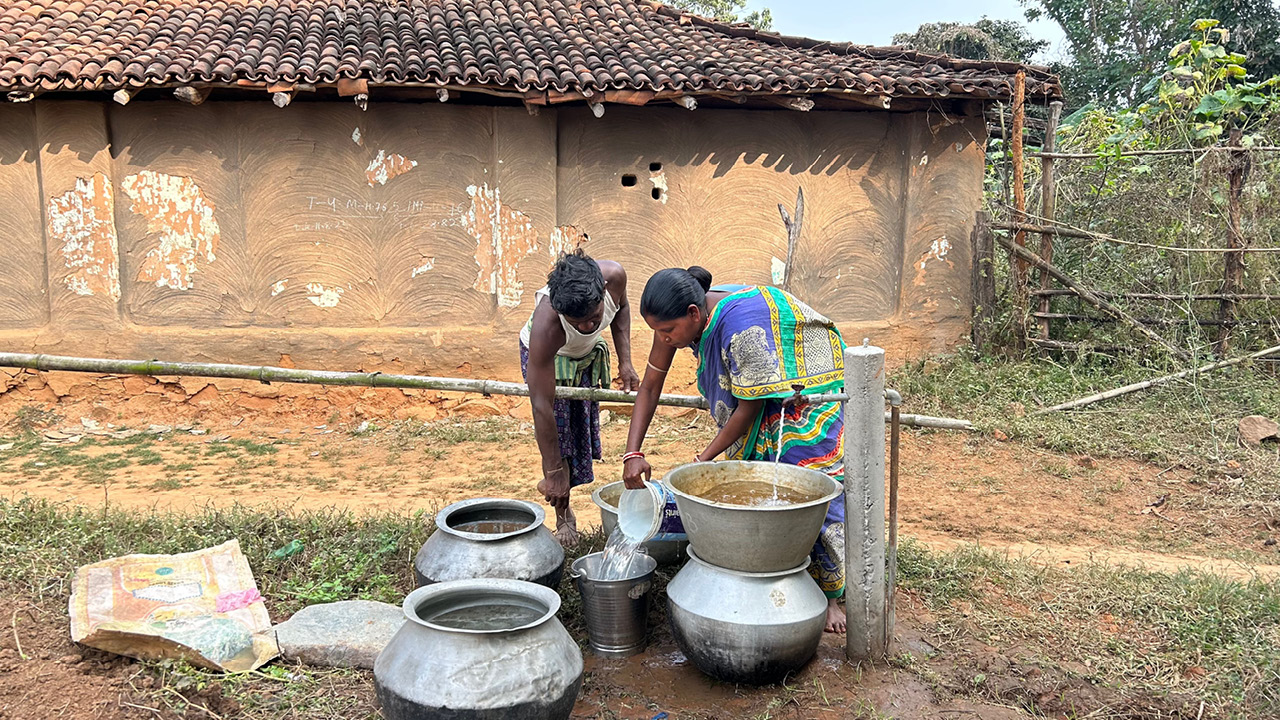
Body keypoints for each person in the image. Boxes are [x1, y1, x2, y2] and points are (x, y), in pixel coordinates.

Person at [621, 267, 848, 632]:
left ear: (694, 315)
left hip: (804, 391)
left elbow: (750, 406)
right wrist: (632, 453)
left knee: (809, 481)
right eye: (657, 331)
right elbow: (649, 387)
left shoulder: (741, 325)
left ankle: (831, 596)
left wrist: (701, 461)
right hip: (755, 388)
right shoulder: (677, 315)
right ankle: (768, 570)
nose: (663, 339)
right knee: (752, 476)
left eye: (668, 332)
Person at [521, 250, 639, 545]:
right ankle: (563, 514)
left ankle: (564, 482)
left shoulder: (614, 276)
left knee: (578, 429)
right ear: (561, 312)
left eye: (594, 318)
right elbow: (541, 407)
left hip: (583, 354)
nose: (588, 327)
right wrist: (553, 471)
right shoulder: (546, 327)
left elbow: (622, 308)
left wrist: (626, 361)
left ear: (602, 293)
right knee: (559, 436)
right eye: (578, 322)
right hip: (552, 357)